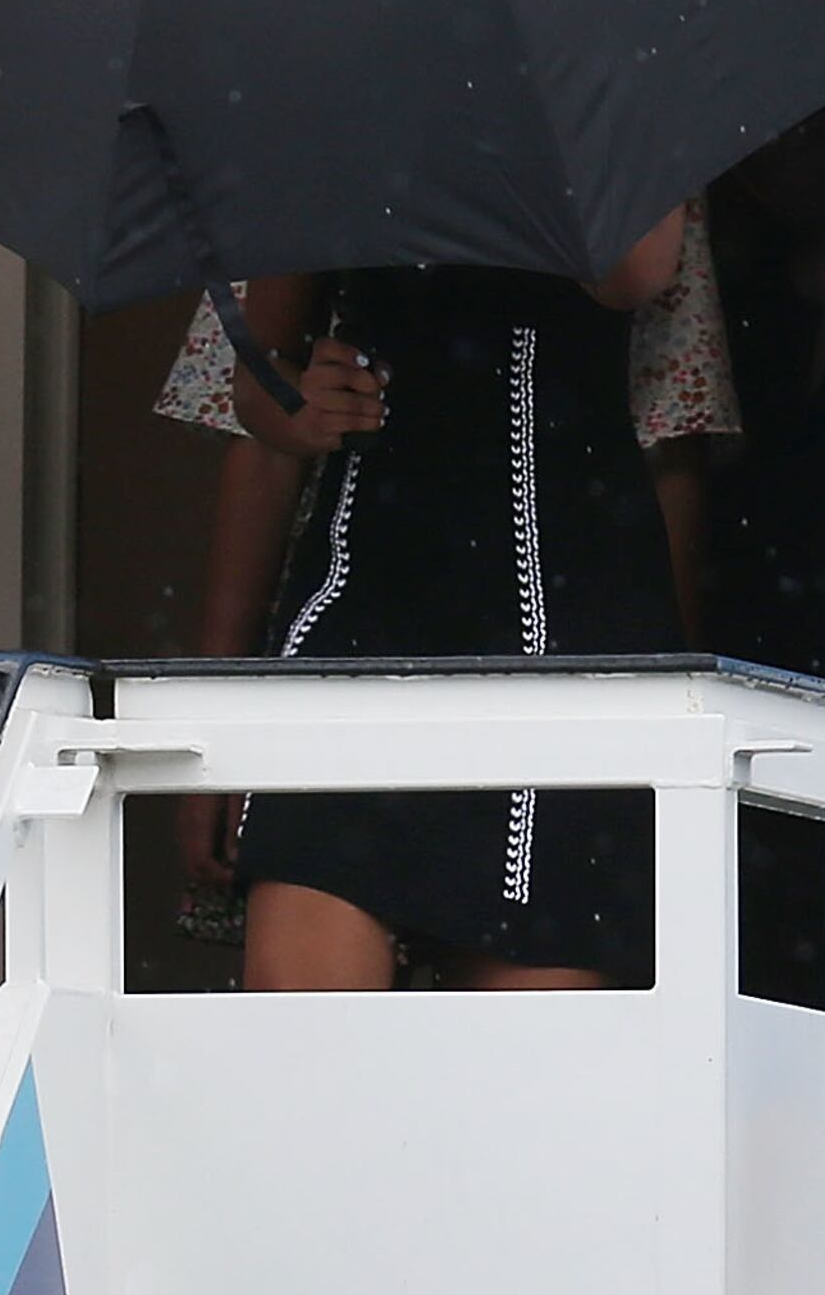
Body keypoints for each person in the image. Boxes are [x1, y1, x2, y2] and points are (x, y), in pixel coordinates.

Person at [162, 213, 735, 949]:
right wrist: (298, 400)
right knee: (305, 1043)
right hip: (363, 611)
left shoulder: (612, 105)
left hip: (570, 619)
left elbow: (635, 276)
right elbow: (259, 382)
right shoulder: (324, 114)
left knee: (520, 1054)